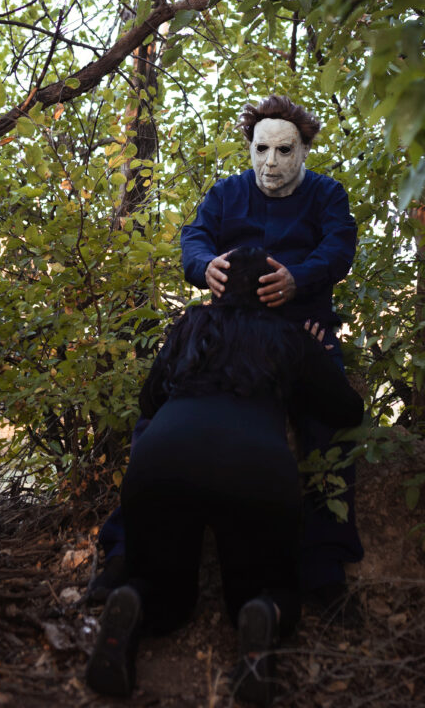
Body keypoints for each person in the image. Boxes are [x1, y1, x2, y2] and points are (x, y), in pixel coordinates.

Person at [93, 94, 363, 605]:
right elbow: (194, 239)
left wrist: (297, 278)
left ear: (305, 149)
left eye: (285, 151)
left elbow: (338, 247)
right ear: (250, 147)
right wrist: (204, 266)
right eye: (262, 149)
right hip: (227, 323)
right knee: (155, 420)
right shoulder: (225, 193)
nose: (272, 163)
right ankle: (122, 547)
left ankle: (324, 563)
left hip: (299, 326)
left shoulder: (328, 194)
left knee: (328, 428)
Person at [85, 247, 364, 704]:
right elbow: (348, 410)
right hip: (256, 470)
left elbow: (148, 403)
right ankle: (262, 612)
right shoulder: (289, 335)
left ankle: (135, 600)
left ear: (217, 287)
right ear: (272, 294)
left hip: (163, 461)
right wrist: (320, 350)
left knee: (167, 597)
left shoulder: (190, 325)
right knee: (266, 588)